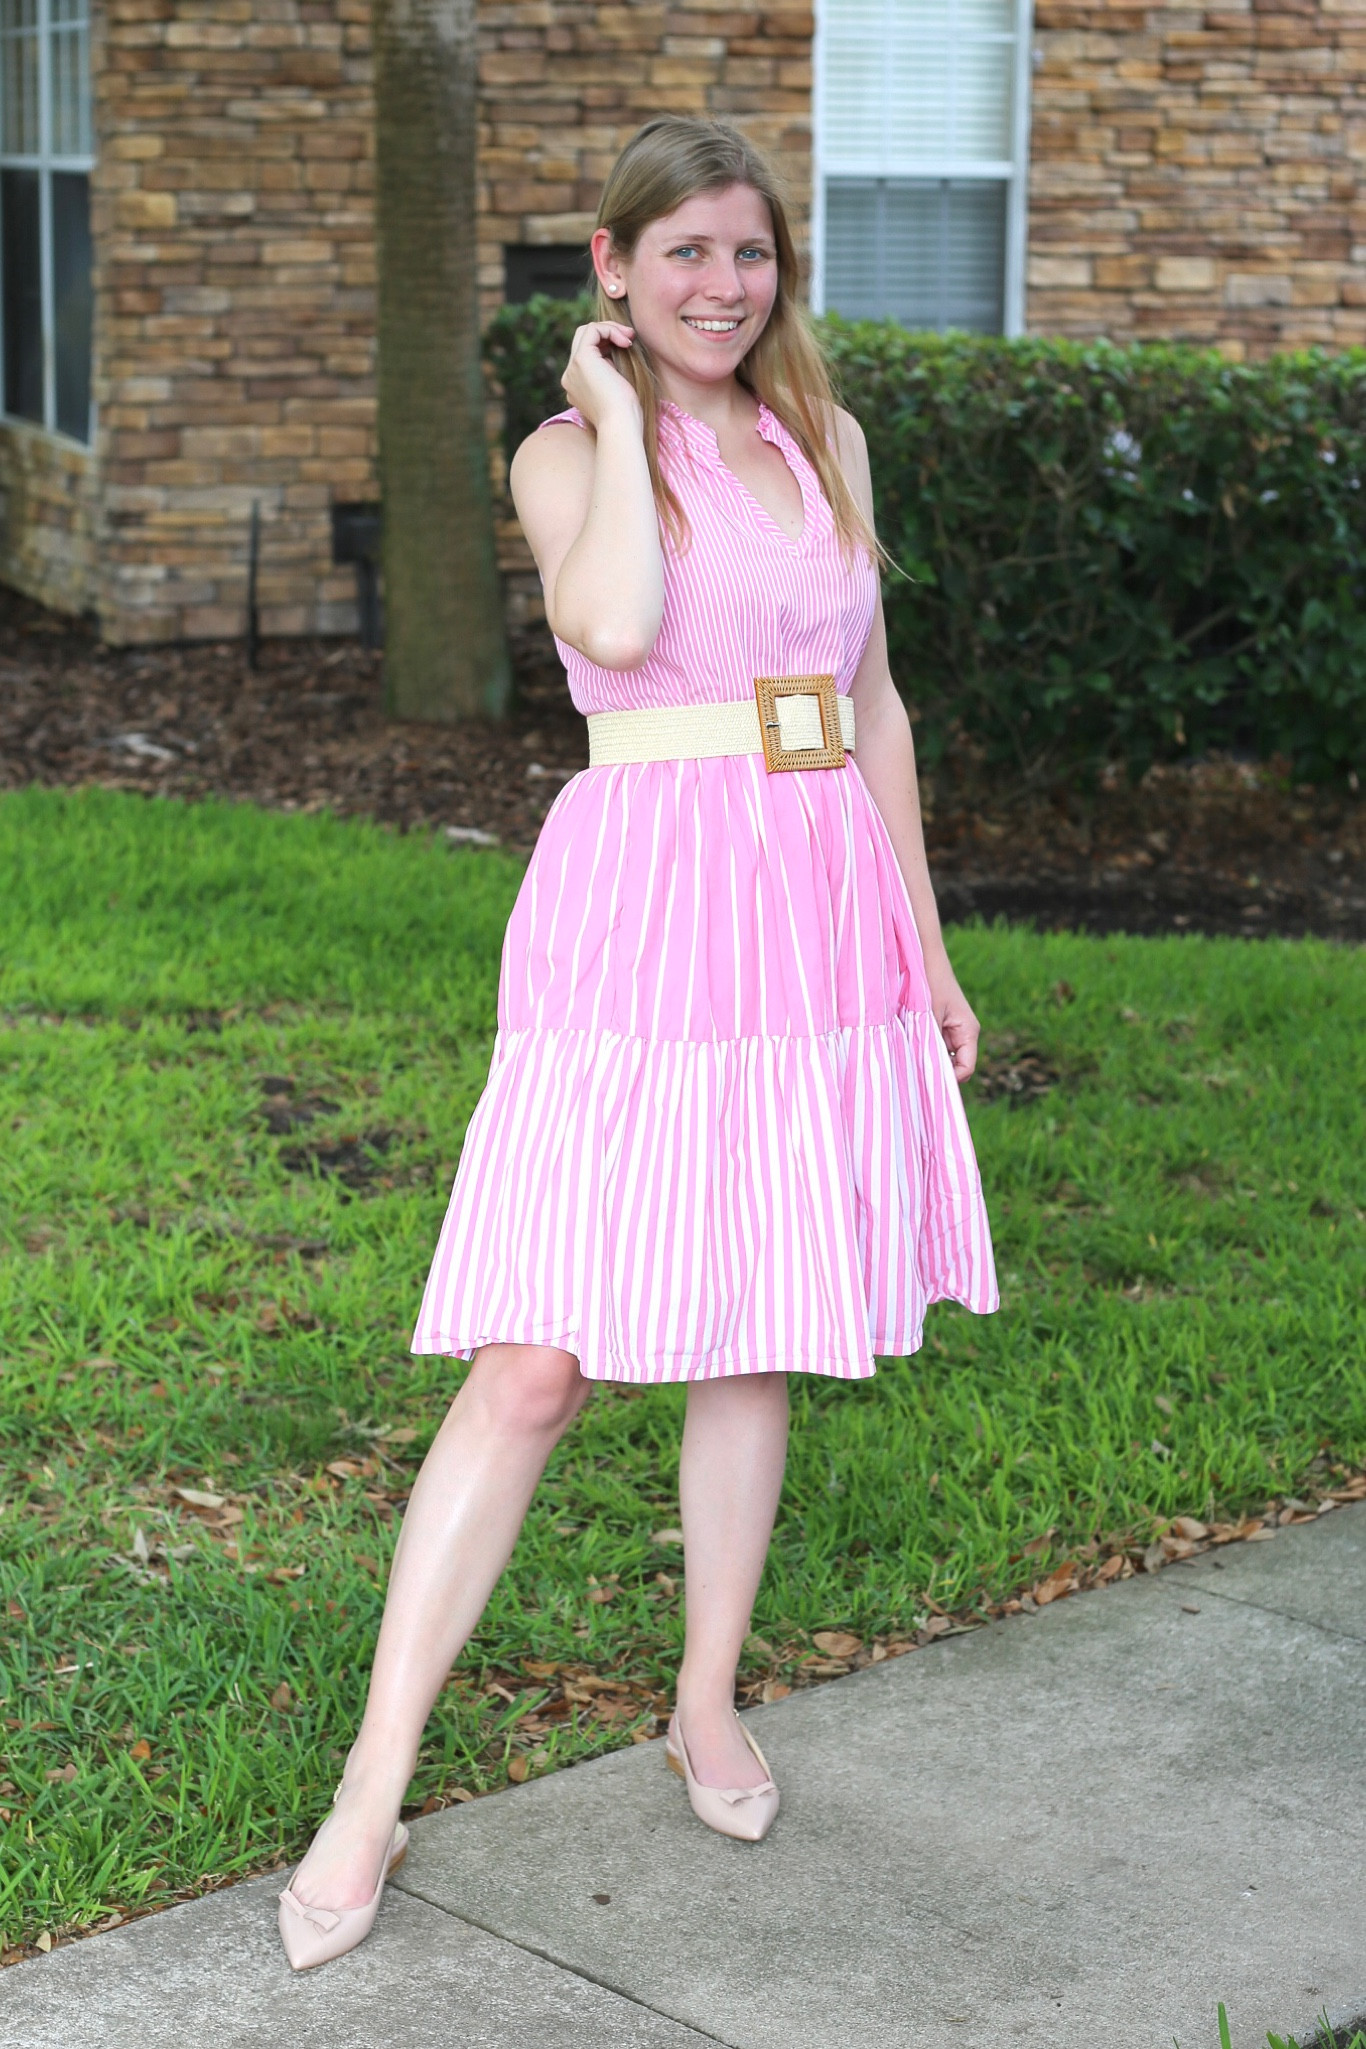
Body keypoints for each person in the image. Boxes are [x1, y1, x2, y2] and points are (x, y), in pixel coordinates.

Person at [276, 113, 998, 1972]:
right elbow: (610, 621)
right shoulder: (562, 455)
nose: (717, 286)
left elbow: (872, 705)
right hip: (643, 900)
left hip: (816, 897)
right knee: (536, 1360)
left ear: (778, 271)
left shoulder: (824, 438)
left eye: (745, 254)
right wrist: (608, 417)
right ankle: (372, 1780)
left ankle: (700, 1699)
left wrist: (923, 948)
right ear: (610, 269)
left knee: (748, 1319)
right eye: (677, 253)